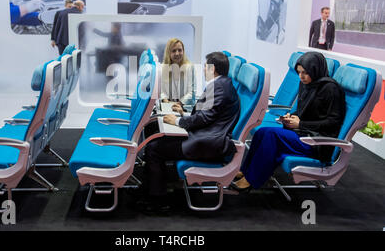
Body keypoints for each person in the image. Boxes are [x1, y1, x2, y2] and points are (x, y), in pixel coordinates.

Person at [139, 52, 241, 214]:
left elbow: (206, 117)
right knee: (156, 137)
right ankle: (150, 188)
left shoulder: (219, 87)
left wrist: (178, 121)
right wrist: (184, 113)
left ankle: (158, 200)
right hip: (205, 136)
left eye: (205, 67)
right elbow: (208, 114)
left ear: (212, 68)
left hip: (207, 143)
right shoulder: (222, 84)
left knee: (154, 148)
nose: (203, 70)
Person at [232, 52, 346, 192]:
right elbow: (304, 110)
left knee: (271, 136)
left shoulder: (331, 89)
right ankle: (246, 170)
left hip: (317, 142)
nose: (301, 76)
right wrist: (290, 116)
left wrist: (301, 124)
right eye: (299, 72)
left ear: (315, 69)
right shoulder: (307, 84)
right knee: (261, 132)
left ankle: (251, 180)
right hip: (303, 134)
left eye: (305, 72)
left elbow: (333, 122)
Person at [160, 38, 195, 106]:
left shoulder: (189, 67)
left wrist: (179, 104)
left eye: (180, 50)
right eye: (173, 51)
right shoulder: (163, 68)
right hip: (167, 105)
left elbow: (192, 92)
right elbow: (161, 91)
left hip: (185, 107)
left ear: (183, 51)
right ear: (168, 53)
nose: (177, 53)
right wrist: (166, 102)